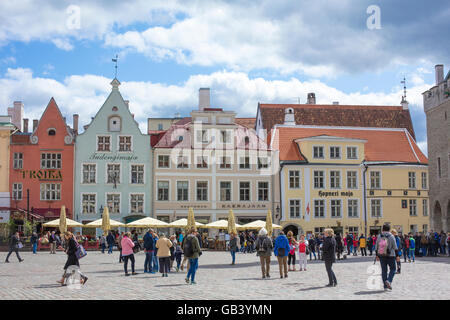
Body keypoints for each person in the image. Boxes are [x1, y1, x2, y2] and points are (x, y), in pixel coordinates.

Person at [375, 224, 399, 290]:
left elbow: (376, 246)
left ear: (383, 229)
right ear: (389, 229)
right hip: (391, 255)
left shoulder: (379, 236)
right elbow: (395, 247)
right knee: (393, 269)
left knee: (384, 270)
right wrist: (397, 256)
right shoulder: (391, 236)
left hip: (382, 255)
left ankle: (385, 286)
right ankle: (389, 280)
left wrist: (377, 255)